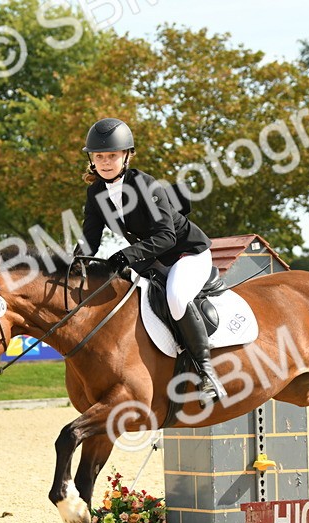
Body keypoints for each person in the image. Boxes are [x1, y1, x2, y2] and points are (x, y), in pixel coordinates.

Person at [79, 117, 226, 405]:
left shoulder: (146, 185)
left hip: (186, 254)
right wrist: (72, 264)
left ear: (126, 156)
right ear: (91, 159)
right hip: (150, 261)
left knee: (175, 297)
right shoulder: (95, 193)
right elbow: (90, 240)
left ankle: (208, 373)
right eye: (99, 156)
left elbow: (167, 237)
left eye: (112, 155)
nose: (106, 162)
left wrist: (125, 255)